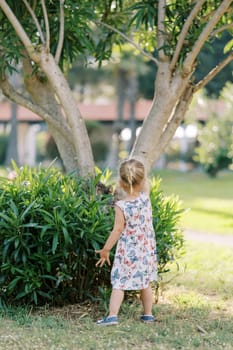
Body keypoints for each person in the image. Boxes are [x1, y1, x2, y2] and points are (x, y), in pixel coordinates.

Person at [95, 158, 157, 326]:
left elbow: (117, 230)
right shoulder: (146, 198)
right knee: (145, 283)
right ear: (143, 180)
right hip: (145, 251)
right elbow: (143, 185)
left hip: (128, 253)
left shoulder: (121, 206)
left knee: (119, 283)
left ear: (121, 183)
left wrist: (105, 250)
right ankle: (148, 314)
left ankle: (112, 316)